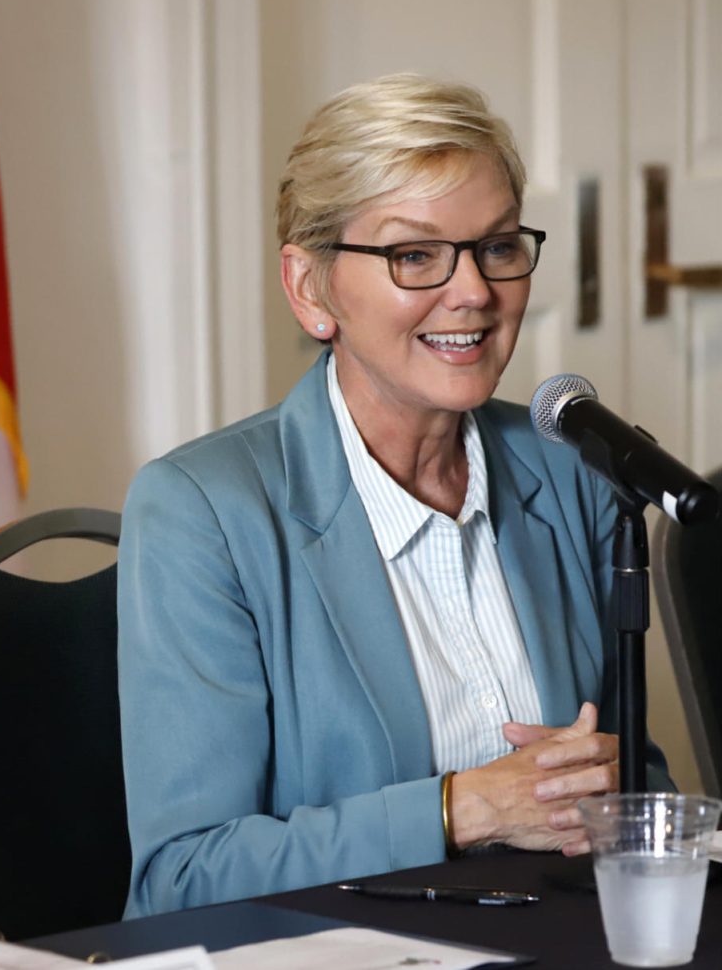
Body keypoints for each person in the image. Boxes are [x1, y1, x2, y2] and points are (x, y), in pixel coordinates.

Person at [118, 74, 671, 915]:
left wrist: (608, 789)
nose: (475, 292)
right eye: (415, 255)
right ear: (311, 290)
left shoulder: (573, 471)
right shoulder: (202, 513)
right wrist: (462, 807)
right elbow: (185, 876)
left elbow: (635, 781)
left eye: (497, 246)